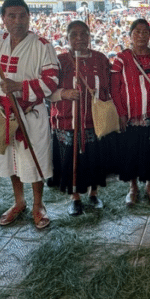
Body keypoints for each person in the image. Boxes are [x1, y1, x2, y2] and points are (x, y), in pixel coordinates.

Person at [0, 0, 58, 229]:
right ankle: (18, 202)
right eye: (11, 16)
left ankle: (38, 205)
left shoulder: (42, 45)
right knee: (11, 160)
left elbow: (52, 81)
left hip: (31, 113)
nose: (17, 21)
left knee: (34, 159)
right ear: (3, 19)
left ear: (29, 17)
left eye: (22, 15)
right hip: (3, 113)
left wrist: (19, 86)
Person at [110, 19, 150, 205]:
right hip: (130, 117)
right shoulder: (122, 58)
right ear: (130, 35)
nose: (141, 35)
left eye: (145, 32)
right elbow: (115, 88)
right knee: (131, 153)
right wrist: (121, 113)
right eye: (137, 32)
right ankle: (133, 188)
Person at [50, 21, 111, 216]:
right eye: (74, 34)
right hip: (68, 120)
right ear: (66, 38)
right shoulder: (58, 61)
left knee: (95, 159)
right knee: (71, 160)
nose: (79, 38)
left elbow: (109, 87)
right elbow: (46, 90)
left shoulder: (101, 59)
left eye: (84, 34)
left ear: (90, 37)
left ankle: (94, 193)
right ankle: (74, 197)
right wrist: (64, 93)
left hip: (95, 120)